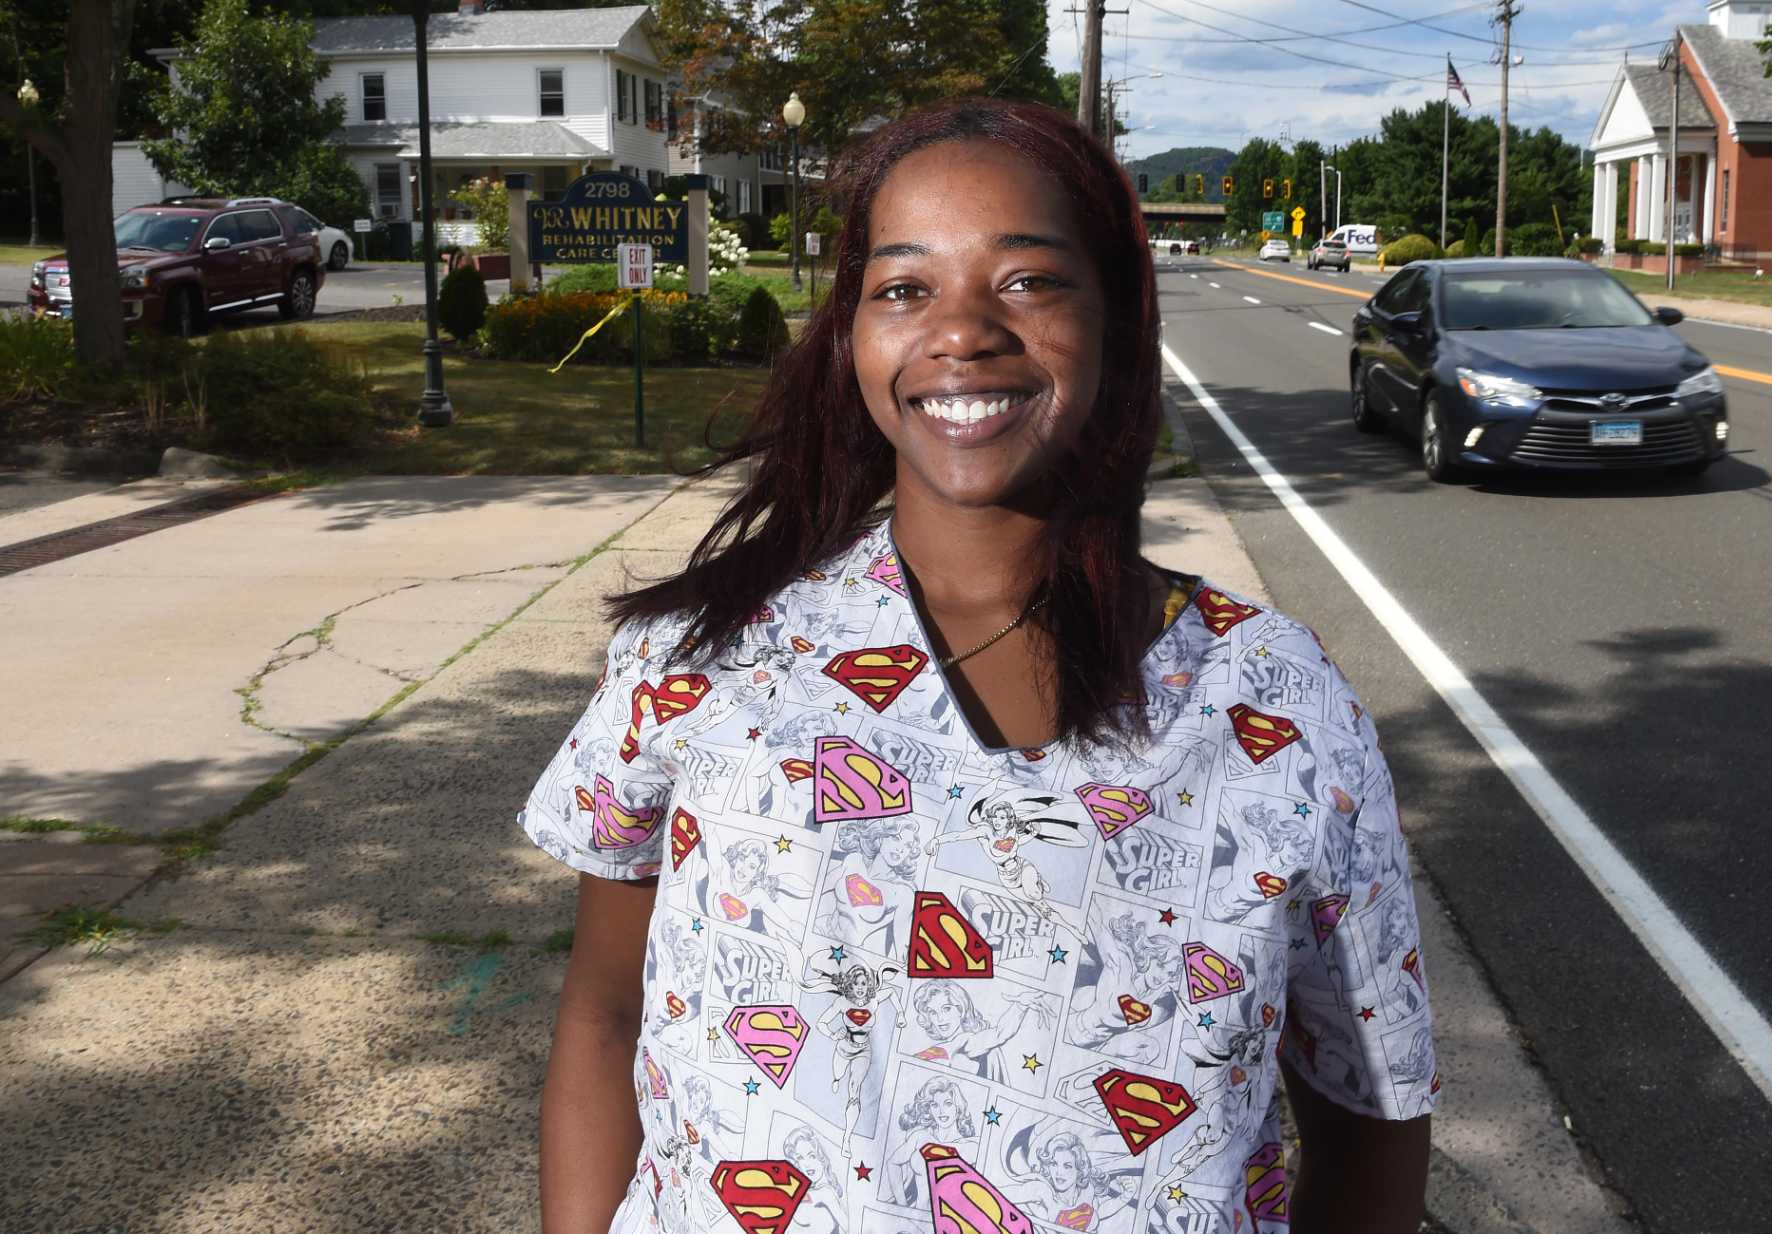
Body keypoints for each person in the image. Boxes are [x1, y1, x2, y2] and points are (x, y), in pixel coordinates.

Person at [521, 97, 1434, 1234]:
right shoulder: (699, 658)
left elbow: (1373, 1108)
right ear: (850, 336)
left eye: (1027, 281)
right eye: (903, 288)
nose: (960, 330)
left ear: (1116, 320)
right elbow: (605, 1013)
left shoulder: (1279, 700)